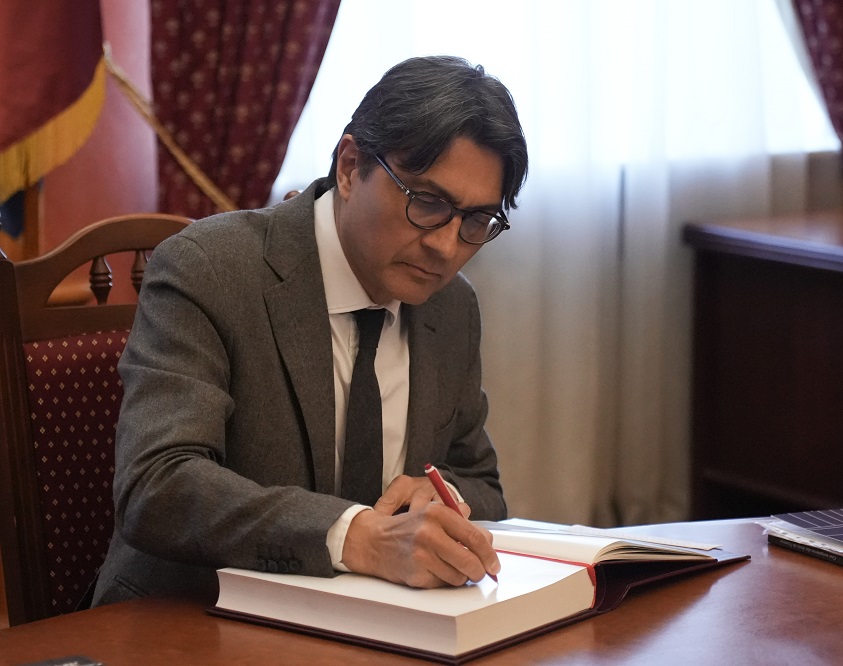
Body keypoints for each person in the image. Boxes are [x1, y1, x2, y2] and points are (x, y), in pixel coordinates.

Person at [92, 55, 529, 607]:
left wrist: (439, 499)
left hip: (385, 623)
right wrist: (360, 537)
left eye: (477, 221)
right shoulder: (209, 268)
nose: (446, 246)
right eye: (427, 202)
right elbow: (158, 484)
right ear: (350, 167)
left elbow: (482, 487)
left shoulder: (453, 307)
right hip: (192, 615)